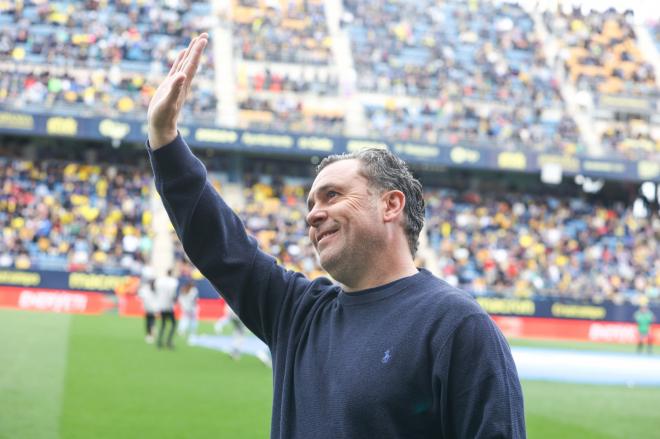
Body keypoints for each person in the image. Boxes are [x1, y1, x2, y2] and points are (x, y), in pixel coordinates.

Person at [146, 33, 525, 438]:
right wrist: (164, 139)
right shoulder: (298, 313)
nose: (313, 215)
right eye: (310, 204)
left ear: (390, 205)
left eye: (332, 195)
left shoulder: (455, 326)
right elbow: (220, 245)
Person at [154, 268, 179, 349]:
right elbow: (173, 294)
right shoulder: (173, 282)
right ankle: (168, 341)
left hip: (161, 305)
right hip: (169, 305)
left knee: (163, 324)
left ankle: (159, 341)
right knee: (173, 324)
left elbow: (156, 291)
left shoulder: (160, 281)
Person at [137, 272, 158, 343]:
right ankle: (151, 334)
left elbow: (140, 295)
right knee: (152, 322)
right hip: (154, 309)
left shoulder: (146, 289)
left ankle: (149, 335)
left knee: (148, 322)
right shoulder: (155, 290)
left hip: (148, 308)